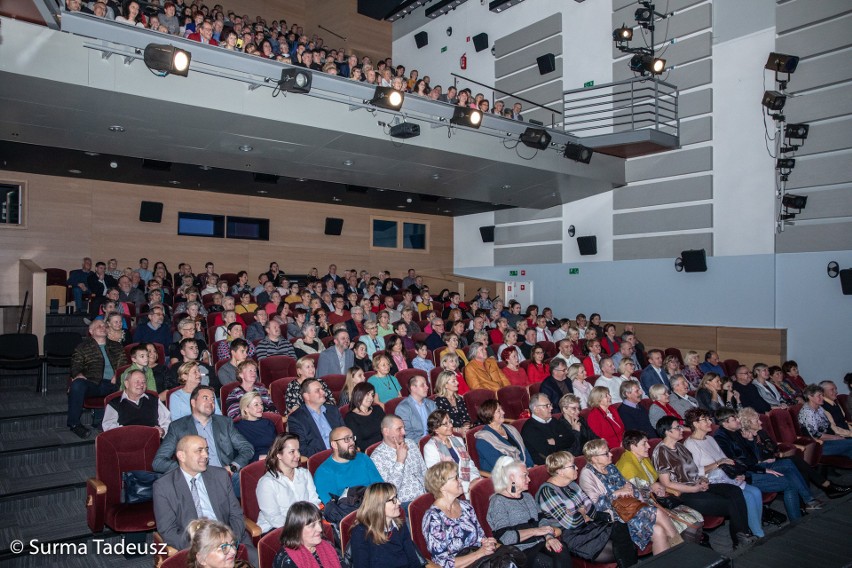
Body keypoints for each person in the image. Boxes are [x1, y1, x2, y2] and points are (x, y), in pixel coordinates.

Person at [653, 416, 757, 548]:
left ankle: (742, 535)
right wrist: (694, 489)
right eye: (677, 427)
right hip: (684, 493)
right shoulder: (661, 452)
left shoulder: (680, 446)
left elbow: (694, 469)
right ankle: (741, 538)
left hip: (697, 484)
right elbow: (666, 483)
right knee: (730, 503)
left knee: (734, 490)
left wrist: (702, 479)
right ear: (667, 432)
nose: (681, 430)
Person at [153, 435, 256, 564]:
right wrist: (201, 549)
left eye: (206, 450)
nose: (206, 455)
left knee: (256, 559)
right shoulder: (164, 486)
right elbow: (168, 531)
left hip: (230, 539)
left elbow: (236, 514)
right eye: (199, 450)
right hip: (194, 548)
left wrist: (229, 541)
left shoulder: (220, 476)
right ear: (181, 456)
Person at [713, 407, 816, 522]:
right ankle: (806, 504)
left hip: (755, 467)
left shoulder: (737, 432)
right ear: (724, 423)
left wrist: (750, 440)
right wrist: (762, 469)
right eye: (734, 419)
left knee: (789, 466)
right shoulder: (720, 437)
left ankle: (801, 512)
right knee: (789, 473)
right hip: (747, 474)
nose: (738, 421)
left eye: (737, 417)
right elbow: (736, 462)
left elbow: (752, 455)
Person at [536, 451, 638, 566]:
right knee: (626, 550)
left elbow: (592, 509)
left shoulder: (572, 485)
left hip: (590, 527)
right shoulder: (548, 491)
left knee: (622, 530)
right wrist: (582, 511)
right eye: (572, 466)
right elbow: (572, 523)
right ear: (560, 471)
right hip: (573, 536)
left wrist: (580, 513)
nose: (577, 468)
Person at [579, 439, 680, 555]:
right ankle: (682, 550)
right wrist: (616, 493)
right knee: (659, 514)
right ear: (594, 458)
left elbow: (628, 486)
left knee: (659, 531)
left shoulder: (610, 467)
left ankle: (675, 558)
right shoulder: (587, 475)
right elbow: (595, 506)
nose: (611, 454)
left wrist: (630, 488)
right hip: (616, 517)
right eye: (606, 453)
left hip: (632, 508)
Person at [682, 408, 766, 538]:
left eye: (709, 419)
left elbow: (726, 461)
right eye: (705, 420)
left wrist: (736, 473)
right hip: (710, 482)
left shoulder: (710, 439)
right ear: (695, 424)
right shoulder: (690, 444)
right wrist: (718, 464)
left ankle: (756, 528)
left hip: (725, 477)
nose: (710, 422)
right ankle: (757, 534)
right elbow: (695, 471)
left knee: (756, 492)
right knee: (748, 497)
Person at [737, 406, 850, 499]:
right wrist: (761, 456)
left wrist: (776, 454)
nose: (761, 422)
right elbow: (752, 459)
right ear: (748, 424)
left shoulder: (762, 433)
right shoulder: (743, 439)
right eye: (756, 420)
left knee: (798, 464)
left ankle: (818, 493)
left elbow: (775, 448)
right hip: (761, 467)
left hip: (774, 460)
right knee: (796, 462)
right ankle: (826, 487)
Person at [616, 430, 705, 543]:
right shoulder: (627, 465)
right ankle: (686, 555)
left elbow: (654, 480)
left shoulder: (643, 458)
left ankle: (695, 550)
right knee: (690, 527)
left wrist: (658, 487)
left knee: (695, 519)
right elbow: (633, 496)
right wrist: (652, 488)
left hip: (657, 500)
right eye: (644, 444)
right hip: (642, 508)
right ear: (633, 446)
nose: (648, 446)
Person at [487, 457, 572, 567]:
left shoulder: (527, 497)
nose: (529, 479)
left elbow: (542, 520)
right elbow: (505, 538)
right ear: (512, 477)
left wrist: (549, 537)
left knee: (560, 548)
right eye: (524, 475)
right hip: (520, 552)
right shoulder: (498, 502)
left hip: (540, 544)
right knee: (548, 563)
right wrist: (535, 531)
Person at [422, 461, 499, 568]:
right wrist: (479, 554)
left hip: (481, 561)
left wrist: (487, 543)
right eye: (455, 478)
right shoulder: (433, 517)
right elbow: (442, 563)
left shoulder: (466, 506)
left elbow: (480, 537)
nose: (461, 480)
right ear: (442, 486)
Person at [67, 320, 126, 438]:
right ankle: (74, 424)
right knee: (77, 384)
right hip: (93, 383)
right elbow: (75, 365)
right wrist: (78, 374)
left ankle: (110, 423)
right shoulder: (83, 347)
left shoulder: (116, 346)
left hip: (113, 383)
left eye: (104, 325)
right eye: (98, 326)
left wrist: (117, 375)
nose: (102, 327)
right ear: (91, 331)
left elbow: (123, 364)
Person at [256, 434, 321, 533]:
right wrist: (301, 526)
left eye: (298, 450)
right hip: (278, 529)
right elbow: (274, 518)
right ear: (279, 455)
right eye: (292, 452)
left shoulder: (304, 474)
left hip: (307, 525)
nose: (298, 455)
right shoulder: (267, 483)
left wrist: (309, 523)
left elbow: (314, 501)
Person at [349, 482, 422, 568]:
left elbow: (414, 561)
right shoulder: (361, 532)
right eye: (393, 500)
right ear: (379, 505)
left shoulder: (400, 526)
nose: (399, 502)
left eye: (397, 498)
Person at [314, 427, 383, 504]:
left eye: (352, 438)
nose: (352, 442)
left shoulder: (363, 458)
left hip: (376, 505)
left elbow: (380, 486)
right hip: (351, 512)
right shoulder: (324, 472)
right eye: (346, 439)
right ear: (334, 445)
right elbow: (333, 506)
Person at [370, 415, 428, 505]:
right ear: (386, 431)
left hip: (426, 495)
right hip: (404, 504)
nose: (404, 432)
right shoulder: (378, 457)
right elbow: (390, 492)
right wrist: (400, 461)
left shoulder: (411, 444)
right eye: (399, 429)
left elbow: (424, 472)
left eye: (403, 428)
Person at [423, 410, 480, 498]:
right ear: (436, 429)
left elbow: (470, 464)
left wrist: (475, 479)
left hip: (470, 481)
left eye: (450, 421)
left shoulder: (458, 440)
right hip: (450, 490)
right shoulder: (430, 448)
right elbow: (439, 478)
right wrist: (467, 486)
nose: (450, 425)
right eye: (445, 424)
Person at [272, 501, 341, 568]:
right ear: (297, 530)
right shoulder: (287, 560)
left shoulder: (326, 546)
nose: (320, 529)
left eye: (319, 522)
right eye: (312, 525)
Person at [287, 379, 345, 458]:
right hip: (320, 459)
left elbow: (345, 434)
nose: (323, 392)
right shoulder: (296, 418)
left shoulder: (333, 410)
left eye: (322, 389)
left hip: (342, 454)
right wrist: (327, 454)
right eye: (318, 391)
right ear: (306, 396)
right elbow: (302, 449)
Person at [102, 369, 170, 435]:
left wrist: (162, 430)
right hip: (125, 442)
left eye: (143, 382)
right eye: (137, 381)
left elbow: (166, 420)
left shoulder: (154, 400)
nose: (141, 385)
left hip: (151, 441)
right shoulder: (114, 403)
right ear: (126, 384)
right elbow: (108, 427)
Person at [474, 399, 533, 472]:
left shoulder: (511, 429)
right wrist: (522, 471)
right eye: (499, 411)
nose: (503, 412)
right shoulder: (483, 440)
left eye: (501, 409)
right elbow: (499, 465)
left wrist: (530, 466)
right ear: (489, 414)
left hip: (522, 470)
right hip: (503, 477)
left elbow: (524, 451)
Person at [521, 393, 577, 465]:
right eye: (547, 406)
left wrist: (555, 441)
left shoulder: (553, 421)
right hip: (548, 466)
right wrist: (560, 440)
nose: (551, 408)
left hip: (564, 459)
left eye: (550, 405)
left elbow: (571, 438)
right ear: (536, 409)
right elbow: (547, 451)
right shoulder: (529, 429)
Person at [798, 384, 852, 458]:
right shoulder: (807, 412)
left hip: (829, 440)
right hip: (818, 445)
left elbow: (828, 426)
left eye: (822, 395)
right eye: (819, 396)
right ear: (810, 397)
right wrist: (836, 438)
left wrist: (837, 436)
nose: (822, 398)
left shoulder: (819, 408)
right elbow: (816, 435)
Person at [234, 392, 278, 463]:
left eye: (261, 404)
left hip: (274, 459)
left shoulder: (268, 423)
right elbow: (239, 455)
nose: (261, 407)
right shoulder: (237, 428)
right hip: (254, 464)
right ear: (246, 408)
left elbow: (277, 445)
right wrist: (262, 457)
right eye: (256, 405)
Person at [344, 382, 385, 452]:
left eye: (372, 395)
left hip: (385, 446)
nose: (371, 398)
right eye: (367, 394)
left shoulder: (377, 409)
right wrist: (382, 438)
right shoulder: (350, 418)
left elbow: (388, 428)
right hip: (369, 452)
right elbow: (359, 444)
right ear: (358, 395)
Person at [395, 375, 437, 441]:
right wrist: (425, 443)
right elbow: (407, 434)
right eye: (423, 385)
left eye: (426, 384)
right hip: (416, 444)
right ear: (413, 388)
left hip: (434, 440)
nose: (427, 387)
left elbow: (438, 425)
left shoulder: (431, 404)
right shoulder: (403, 408)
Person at [433, 370, 472, 436]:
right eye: (453, 381)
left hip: (464, 430)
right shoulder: (439, 401)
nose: (457, 383)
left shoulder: (459, 399)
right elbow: (441, 425)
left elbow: (466, 417)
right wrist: (458, 430)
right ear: (445, 385)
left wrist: (466, 426)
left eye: (456, 380)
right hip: (449, 433)